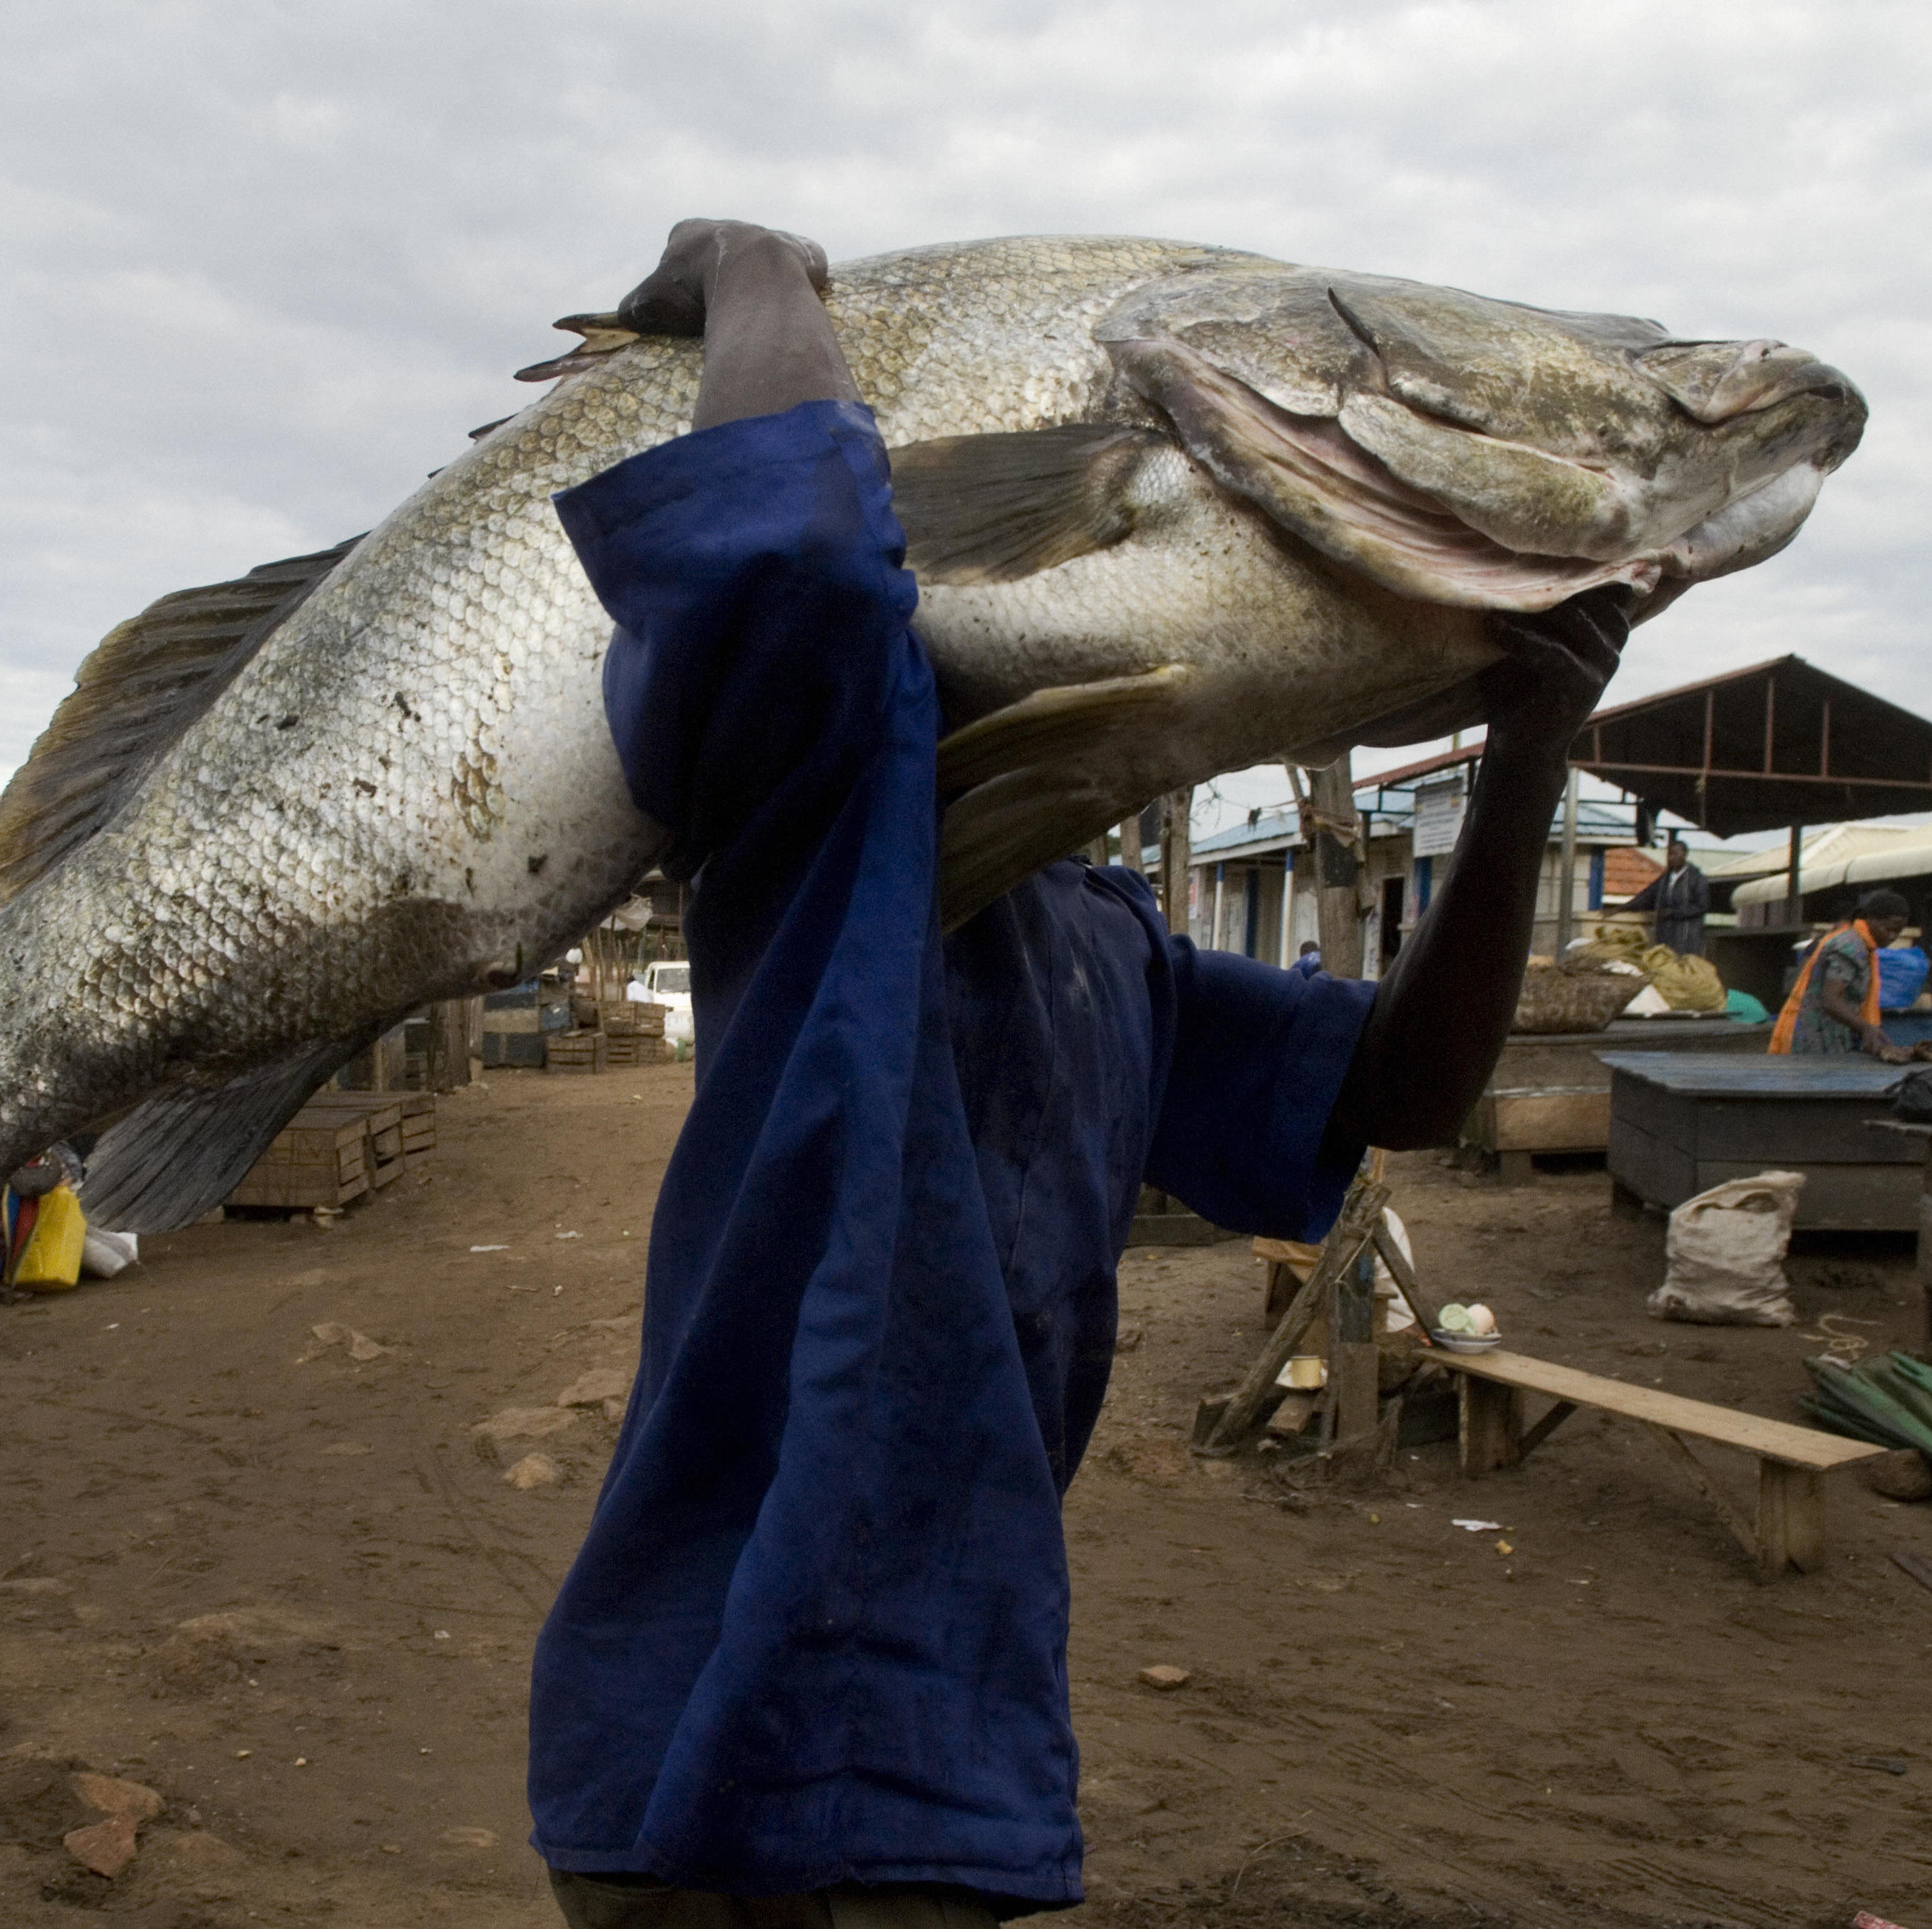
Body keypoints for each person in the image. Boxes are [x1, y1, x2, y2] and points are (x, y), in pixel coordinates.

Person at [529, 219, 1627, 1928]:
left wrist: (1523, 769)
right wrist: (756, 274)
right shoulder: (820, 818)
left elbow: (1401, 1089)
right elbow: (798, 571)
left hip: (941, 1717)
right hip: (690, 1682)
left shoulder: (1118, 954)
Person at [1771, 889, 1915, 1061]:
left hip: (1832, 1035)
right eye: (1888, 929)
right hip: (1816, 1037)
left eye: (1897, 932)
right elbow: (1831, 1000)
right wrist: (1866, 1028)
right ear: (1870, 919)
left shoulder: (1863, 946)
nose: (1892, 937)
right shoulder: (1851, 947)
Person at [1621, 836, 1709, 955]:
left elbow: (1701, 906)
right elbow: (1646, 897)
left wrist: (1673, 913)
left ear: (1684, 855)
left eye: (1675, 854)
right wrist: (1622, 908)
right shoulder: (1664, 880)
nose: (1671, 858)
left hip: (1686, 939)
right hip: (1665, 937)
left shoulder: (1696, 878)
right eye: (1669, 854)